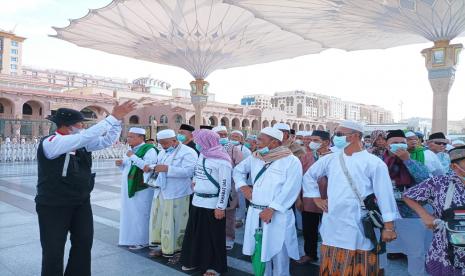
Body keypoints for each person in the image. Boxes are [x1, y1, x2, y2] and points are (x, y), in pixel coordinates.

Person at [35, 101, 136, 276]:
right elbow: (85, 137)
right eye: (80, 123)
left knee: (83, 242)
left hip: (80, 201)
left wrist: (117, 121)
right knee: (53, 248)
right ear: (68, 126)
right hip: (54, 204)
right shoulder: (52, 142)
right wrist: (112, 117)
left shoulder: (81, 143)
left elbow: (106, 141)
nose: (83, 126)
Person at [302, 120, 399, 275]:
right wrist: (316, 199)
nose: (335, 138)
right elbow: (309, 177)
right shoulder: (330, 158)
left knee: (361, 266)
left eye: (339, 134)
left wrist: (389, 227)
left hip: (359, 224)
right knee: (332, 267)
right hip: (332, 223)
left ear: (354, 136)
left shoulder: (373, 163)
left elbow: (385, 195)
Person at [234, 127, 302, 276]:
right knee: (259, 250)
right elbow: (237, 171)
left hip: (277, 215)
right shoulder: (255, 157)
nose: (256, 143)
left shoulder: (291, 160)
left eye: (260, 140)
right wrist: (243, 186)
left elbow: (291, 188)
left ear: (274, 142)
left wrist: (272, 209)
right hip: (255, 212)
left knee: (278, 252)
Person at [403, 145, 465, 275]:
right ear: (454, 167)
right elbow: (408, 196)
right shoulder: (439, 183)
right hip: (445, 245)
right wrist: (424, 215)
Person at [180, 129, 232, 276]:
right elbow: (197, 172)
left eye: (198, 141)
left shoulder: (222, 159)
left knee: (213, 237)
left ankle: (214, 266)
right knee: (196, 234)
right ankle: (194, 261)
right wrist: (195, 182)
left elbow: (225, 185)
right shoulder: (203, 154)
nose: (196, 143)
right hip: (197, 201)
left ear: (206, 141)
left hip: (212, 204)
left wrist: (220, 207)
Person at [380, 130, 431, 274]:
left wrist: (407, 160)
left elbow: (425, 179)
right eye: (394, 143)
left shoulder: (414, 161)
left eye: (402, 142)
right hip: (385, 214)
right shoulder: (377, 162)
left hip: (410, 213)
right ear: (386, 145)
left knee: (416, 251)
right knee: (381, 250)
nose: (398, 145)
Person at [145, 129, 197, 262]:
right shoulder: (162, 151)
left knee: (177, 221)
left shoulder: (188, 152)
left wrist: (168, 169)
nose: (163, 146)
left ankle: (178, 250)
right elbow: (159, 165)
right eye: (161, 143)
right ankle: (163, 245)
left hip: (178, 192)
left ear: (174, 140)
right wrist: (151, 167)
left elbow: (190, 171)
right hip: (161, 191)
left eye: (165, 143)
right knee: (161, 219)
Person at [116, 127, 158, 250]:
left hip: (141, 188)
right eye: (128, 136)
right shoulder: (131, 149)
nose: (128, 139)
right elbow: (128, 167)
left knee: (141, 214)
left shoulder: (150, 150)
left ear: (141, 137)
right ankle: (130, 238)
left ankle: (143, 240)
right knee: (130, 213)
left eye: (131, 137)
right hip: (129, 186)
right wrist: (121, 164)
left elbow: (147, 168)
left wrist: (132, 157)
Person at [295, 130, 332, 264]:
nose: (311, 143)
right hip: (308, 200)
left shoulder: (336, 157)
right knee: (309, 229)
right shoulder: (306, 157)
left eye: (315, 140)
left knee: (329, 230)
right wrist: (298, 199)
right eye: (311, 140)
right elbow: (298, 178)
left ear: (326, 142)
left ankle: (330, 256)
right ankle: (310, 253)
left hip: (329, 201)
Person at [213, 125, 244, 250]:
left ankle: (229, 238)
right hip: (213, 187)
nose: (223, 137)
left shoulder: (233, 149)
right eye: (220, 134)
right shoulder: (209, 149)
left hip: (229, 186)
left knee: (229, 215)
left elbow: (241, 168)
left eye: (225, 134)